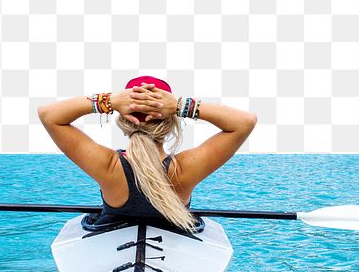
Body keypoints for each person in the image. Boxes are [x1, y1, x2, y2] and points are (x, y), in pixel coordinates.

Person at [37, 76, 257, 233]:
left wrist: (110, 100)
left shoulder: (108, 166)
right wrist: (182, 104)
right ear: (172, 120)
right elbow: (245, 122)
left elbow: (48, 115)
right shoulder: (184, 169)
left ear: (123, 120)